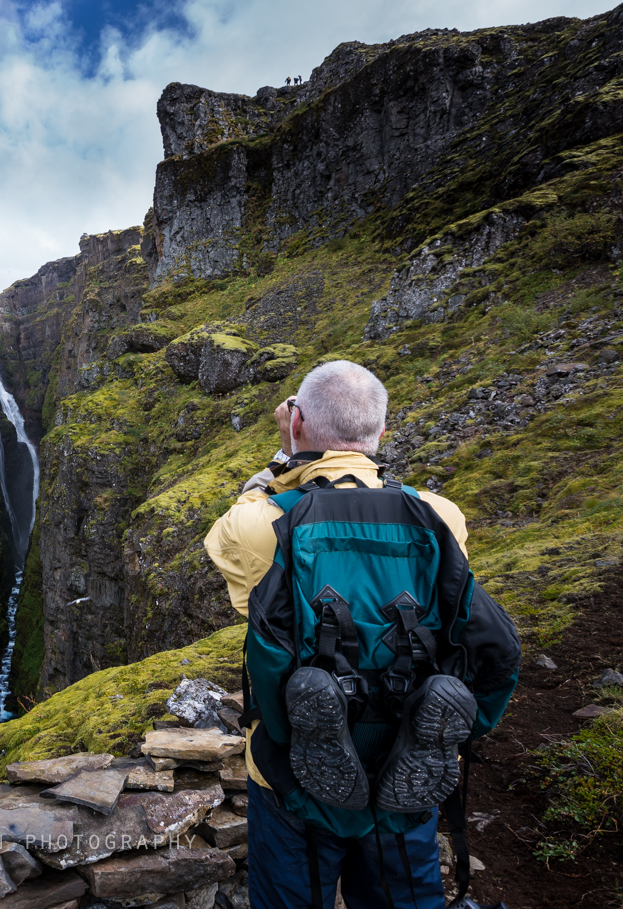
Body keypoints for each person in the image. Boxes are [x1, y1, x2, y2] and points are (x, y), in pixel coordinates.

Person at [205, 361, 518, 909]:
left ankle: (322, 710)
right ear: (380, 431)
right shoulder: (440, 514)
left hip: (290, 774)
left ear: (296, 421)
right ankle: (411, 734)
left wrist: (284, 455)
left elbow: (236, 519)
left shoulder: (262, 522)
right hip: (405, 753)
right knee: (403, 893)